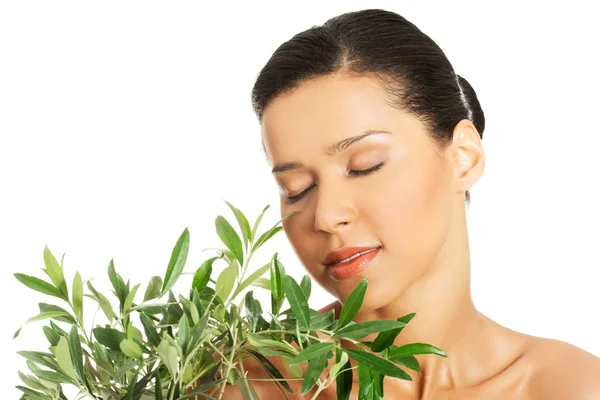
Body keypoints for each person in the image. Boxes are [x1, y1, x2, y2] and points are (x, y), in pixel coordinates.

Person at [222, 8, 600, 399]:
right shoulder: (241, 384)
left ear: (464, 157)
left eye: (365, 166)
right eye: (296, 188)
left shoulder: (572, 388)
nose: (327, 216)